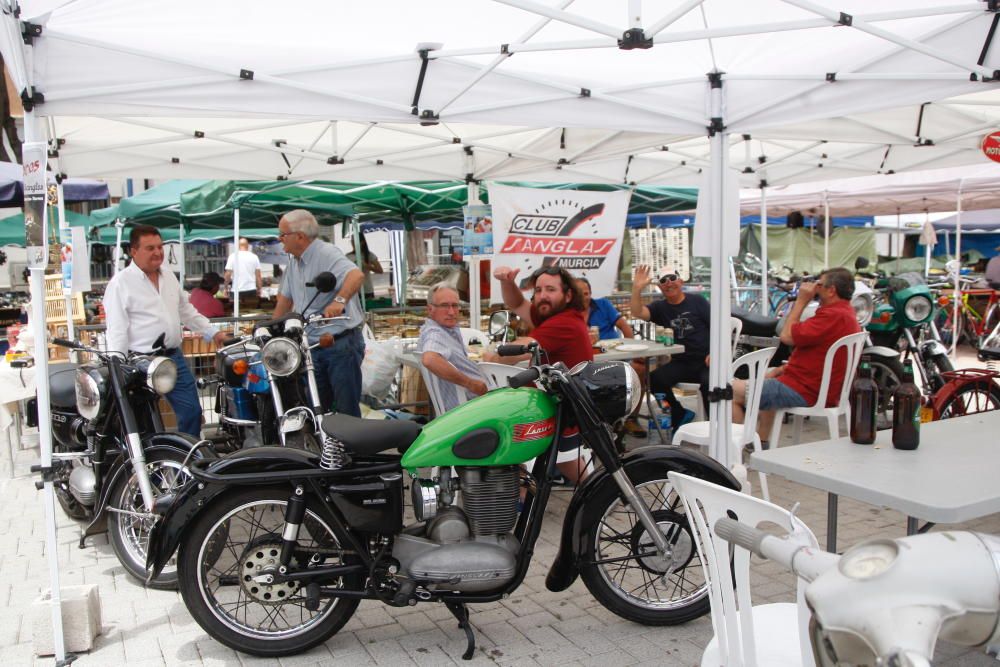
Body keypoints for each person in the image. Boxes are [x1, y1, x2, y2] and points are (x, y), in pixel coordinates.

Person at [103, 225, 227, 437]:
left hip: (171, 357)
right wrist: (117, 367)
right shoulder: (120, 284)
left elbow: (186, 311)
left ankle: (188, 459)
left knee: (192, 411)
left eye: (160, 247)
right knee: (143, 420)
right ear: (134, 251)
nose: (158, 252)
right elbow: (117, 330)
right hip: (138, 362)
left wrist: (213, 332)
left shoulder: (168, 275)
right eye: (150, 248)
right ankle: (149, 463)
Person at [485, 265, 593, 483]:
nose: (543, 295)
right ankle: (598, 493)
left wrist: (492, 355)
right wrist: (507, 282)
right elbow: (517, 304)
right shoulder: (553, 315)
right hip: (561, 406)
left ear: (568, 294)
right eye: (539, 290)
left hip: (559, 412)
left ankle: (514, 498)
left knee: (494, 430)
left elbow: (514, 352)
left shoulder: (564, 323)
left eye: (551, 290)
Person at [732, 267, 861, 447]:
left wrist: (801, 301)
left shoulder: (832, 316)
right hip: (816, 385)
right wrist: (780, 369)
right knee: (769, 376)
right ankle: (760, 443)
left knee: (725, 389)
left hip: (804, 390)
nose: (815, 288)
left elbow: (786, 336)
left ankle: (735, 448)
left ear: (831, 291)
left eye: (819, 285)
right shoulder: (847, 313)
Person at [273, 209, 366, 418]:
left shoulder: (325, 252)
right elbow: (285, 301)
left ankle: (351, 451)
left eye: (283, 234)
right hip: (312, 345)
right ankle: (324, 449)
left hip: (339, 343)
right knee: (316, 408)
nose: (280, 240)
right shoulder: (293, 263)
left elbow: (356, 275)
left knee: (345, 410)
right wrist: (269, 331)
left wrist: (339, 301)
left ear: (300, 236)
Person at [630, 264, 711, 430]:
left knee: (710, 383)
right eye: (663, 280)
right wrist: (637, 288)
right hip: (681, 362)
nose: (669, 283)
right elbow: (637, 312)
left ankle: (714, 428)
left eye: (672, 278)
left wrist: (715, 352)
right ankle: (679, 413)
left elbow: (718, 326)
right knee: (654, 379)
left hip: (706, 360)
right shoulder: (660, 307)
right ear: (660, 287)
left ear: (680, 281)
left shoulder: (698, 301)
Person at [578, 277, 646, 437]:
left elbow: (623, 325)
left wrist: (634, 350)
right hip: (588, 363)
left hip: (615, 358)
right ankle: (604, 423)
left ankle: (631, 418)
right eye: (580, 293)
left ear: (591, 293)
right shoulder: (568, 312)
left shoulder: (603, 304)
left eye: (586, 293)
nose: (584, 297)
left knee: (640, 368)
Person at [419, 283, 490, 413]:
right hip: (472, 407)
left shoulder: (445, 330)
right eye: (444, 306)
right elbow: (429, 359)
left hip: (475, 402)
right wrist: (471, 384)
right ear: (430, 309)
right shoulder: (436, 333)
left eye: (455, 305)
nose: (451, 312)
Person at [224, 237, 262, 304]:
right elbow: (258, 275)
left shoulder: (232, 256)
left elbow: (228, 274)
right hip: (251, 289)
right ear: (248, 245)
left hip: (236, 290)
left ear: (238, 246)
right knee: (251, 311)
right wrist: (259, 288)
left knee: (236, 312)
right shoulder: (254, 257)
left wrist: (225, 287)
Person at [347, 234, 384, 300]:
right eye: (352, 241)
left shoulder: (369, 255)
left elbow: (380, 270)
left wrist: (367, 266)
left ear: (362, 242)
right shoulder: (348, 256)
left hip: (367, 289)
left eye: (355, 241)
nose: (353, 244)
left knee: (368, 309)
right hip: (353, 290)